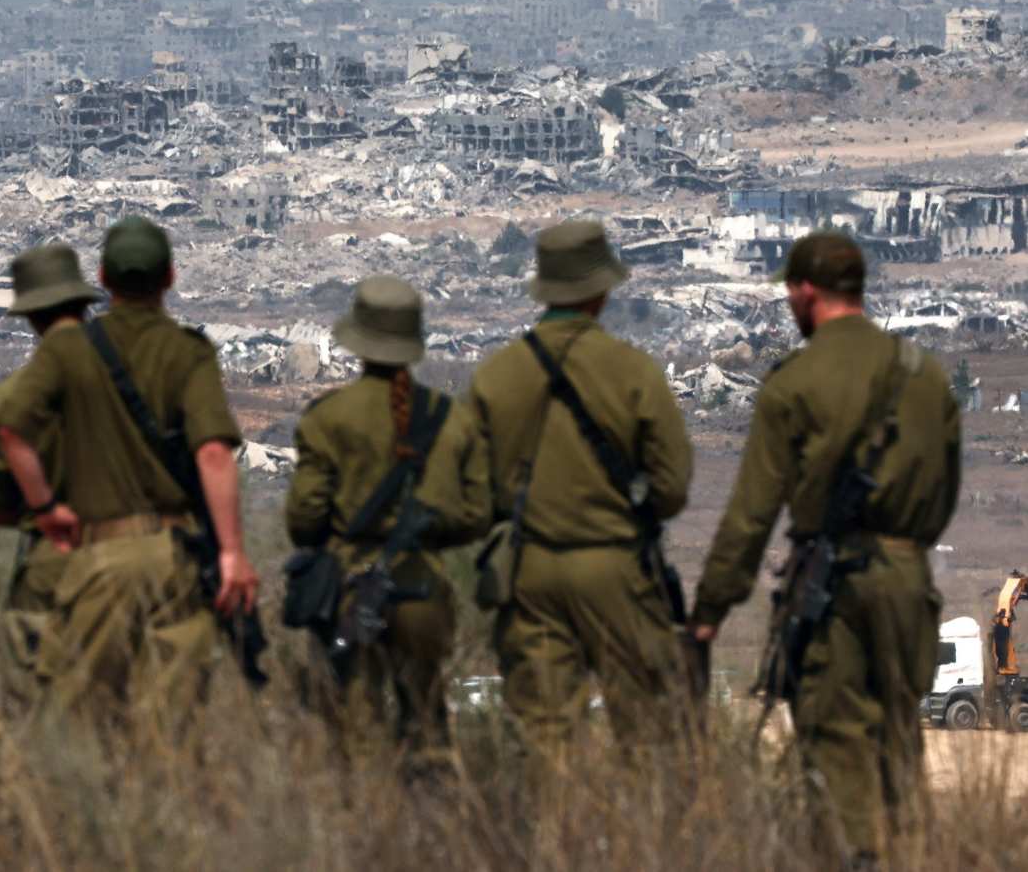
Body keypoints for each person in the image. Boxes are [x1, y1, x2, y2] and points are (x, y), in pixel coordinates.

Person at [690, 232, 960, 865]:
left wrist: (709, 612)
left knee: (835, 757)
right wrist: (903, 549)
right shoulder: (924, 375)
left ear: (807, 291)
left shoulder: (795, 383)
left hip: (832, 588)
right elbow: (945, 491)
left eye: (790, 292)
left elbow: (751, 515)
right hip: (907, 584)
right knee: (900, 742)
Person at [0, 216, 258, 727]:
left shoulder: (69, 348)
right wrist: (232, 552)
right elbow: (213, 455)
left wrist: (45, 508)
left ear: (102, 278)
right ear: (170, 277)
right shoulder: (188, 351)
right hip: (175, 559)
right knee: (173, 725)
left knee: (88, 722)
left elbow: (12, 431)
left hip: (97, 558)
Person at [466, 220, 693, 759]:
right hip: (616, 568)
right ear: (601, 291)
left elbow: (470, 491)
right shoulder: (633, 371)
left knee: (544, 740)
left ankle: (555, 813)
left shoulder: (496, 375)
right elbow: (673, 486)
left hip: (530, 572)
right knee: (648, 734)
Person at [285, 275, 489, 767]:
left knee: (355, 739)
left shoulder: (327, 417)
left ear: (357, 341)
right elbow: (477, 513)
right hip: (423, 592)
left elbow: (303, 520)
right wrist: (427, 530)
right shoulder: (451, 418)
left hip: (350, 596)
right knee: (428, 729)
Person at [0, 243, 98, 708]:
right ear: (83, 304)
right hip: (142, 557)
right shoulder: (137, 380)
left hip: (53, 562)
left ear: (31, 317)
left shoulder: (13, 396)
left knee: (41, 704)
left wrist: (42, 510)